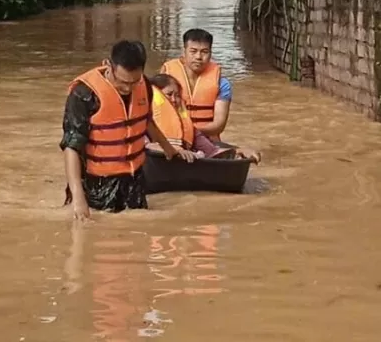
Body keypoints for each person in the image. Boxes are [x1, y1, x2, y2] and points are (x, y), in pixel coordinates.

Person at [62, 40, 194, 220]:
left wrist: (170, 150)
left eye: (134, 82)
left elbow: (145, 121)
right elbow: (72, 145)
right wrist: (78, 197)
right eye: (122, 82)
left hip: (134, 179)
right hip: (97, 183)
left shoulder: (144, 85)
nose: (128, 88)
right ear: (108, 65)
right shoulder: (83, 94)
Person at [148, 74, 260, 163]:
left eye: (177, 95)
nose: (174, 100)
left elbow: (212, 151)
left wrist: (238, 151)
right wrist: (174, 150)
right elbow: (143, 146)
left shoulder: (188, 128)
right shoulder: (142, 121)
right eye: (169, 94)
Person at [162, 28, 232, 139]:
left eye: (204, 52)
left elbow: (219, 125)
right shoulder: (166, 78)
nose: (198, 57)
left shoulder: (222, 83)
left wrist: (189, 131)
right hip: (174, 139)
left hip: (208, 141)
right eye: (193, 51)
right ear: (184, 51)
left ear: (210, 53)